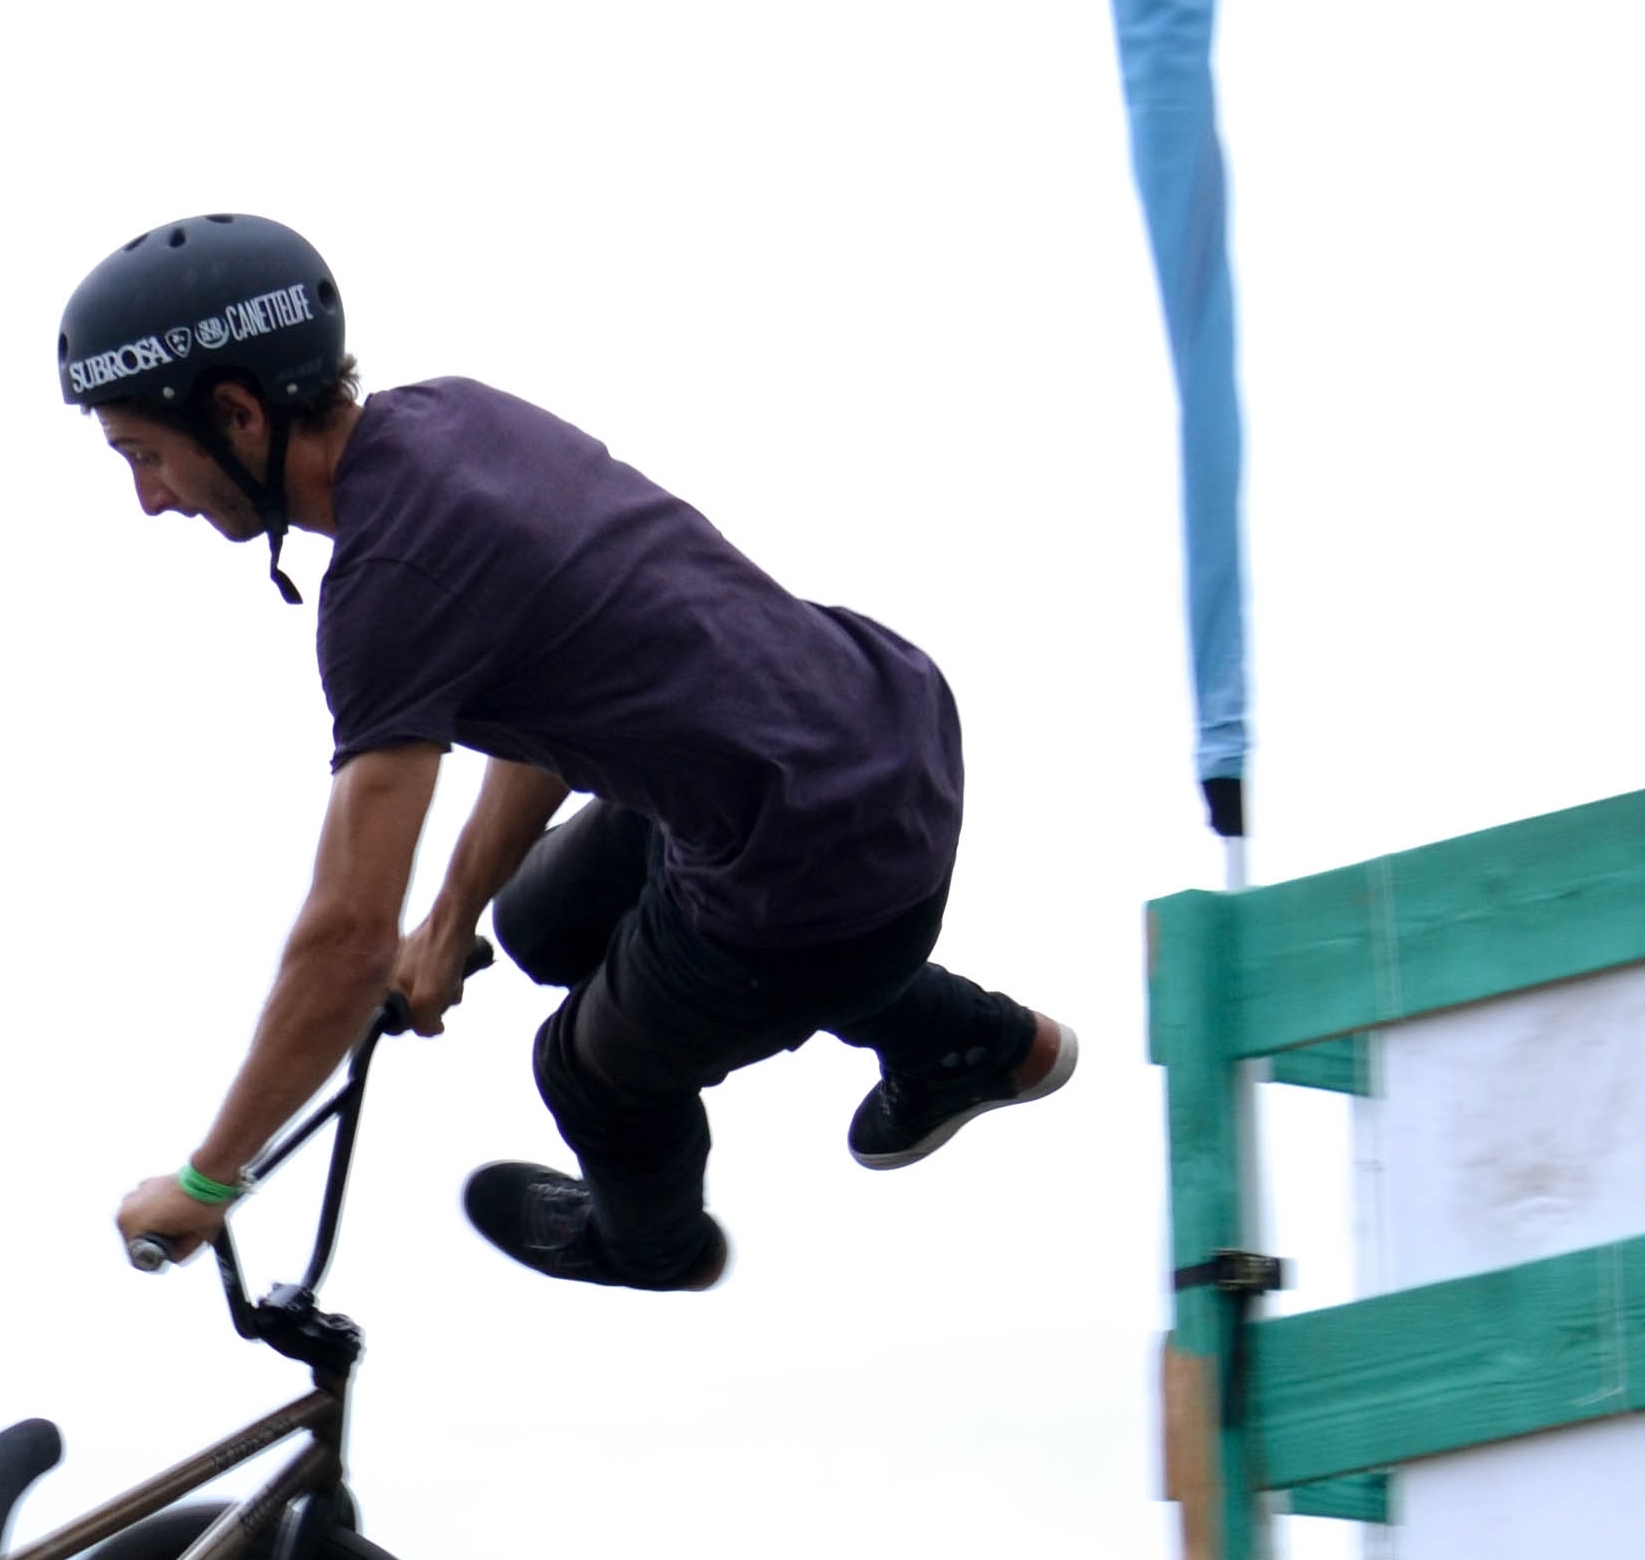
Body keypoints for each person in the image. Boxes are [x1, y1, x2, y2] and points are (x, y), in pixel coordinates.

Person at [69, 215, 1073, 1293]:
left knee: (589, 1075)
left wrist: (210, 1180)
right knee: (539, 921)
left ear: (236, 412)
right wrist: (448, 921)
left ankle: (654, 1249)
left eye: (145, 456)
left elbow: (346, 934)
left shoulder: (386, 592)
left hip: (820, 862)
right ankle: (970, 1041)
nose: (151, 499)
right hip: (863, 718)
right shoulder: (448, 420)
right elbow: (557, 693)